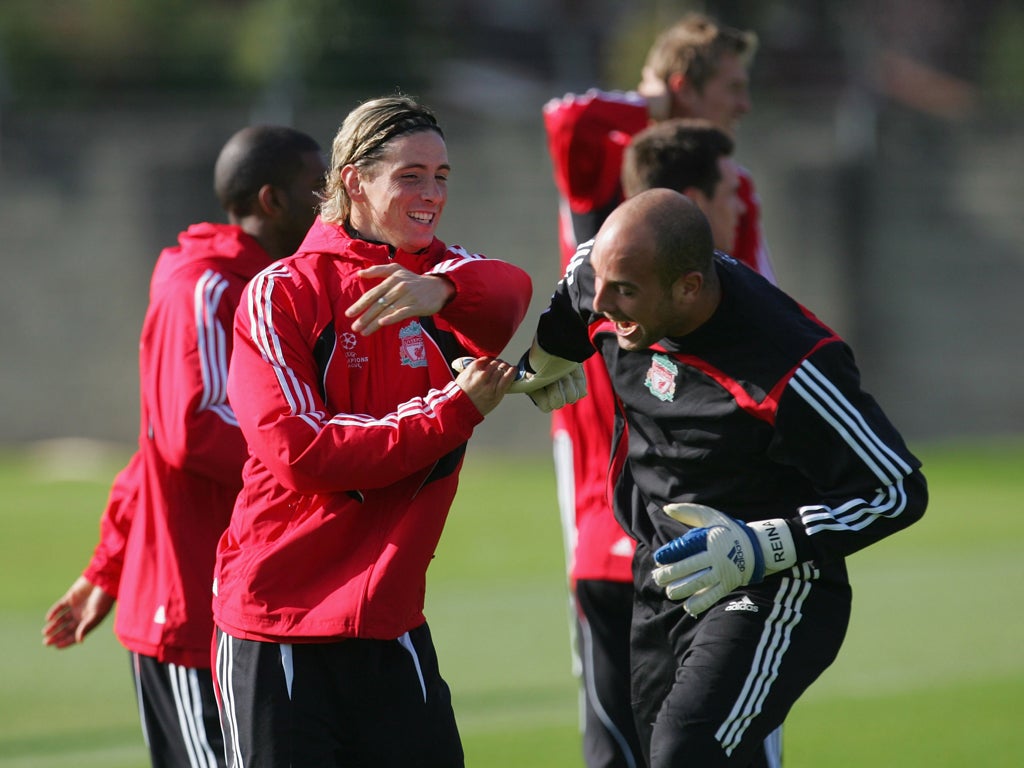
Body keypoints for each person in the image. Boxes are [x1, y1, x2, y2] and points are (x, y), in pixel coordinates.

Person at [513, 187, 927, 767]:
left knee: (687, 751)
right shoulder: (600, 275)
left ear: (688, 286)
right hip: (662, 576)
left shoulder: (792, 364)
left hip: (775, 587)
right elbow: (569, 313)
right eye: (601, 284)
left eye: (624, 292)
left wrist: (760, 546)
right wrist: (533, 370)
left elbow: (897, 490)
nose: (602, 304)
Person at [210, 95, 532, 767]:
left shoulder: (446, 278)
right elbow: (303, 452)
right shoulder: (281, 292)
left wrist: (439, 292)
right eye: (410, 175)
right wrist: (455, 409)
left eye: (442, 176)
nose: (432, 194)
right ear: (355, 181)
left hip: (389, 622)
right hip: (280, 624)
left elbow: (512, 289)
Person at [42, 125, 327, 767]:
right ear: (272, 201)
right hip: (195, 614)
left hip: (259, 602)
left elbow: (152, 449)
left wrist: (105, 567)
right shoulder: (208, 287)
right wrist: (325, 461)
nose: (329, 202)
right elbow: (189, 430)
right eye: (316, 188)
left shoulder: (276, 283)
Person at [543, 14, 773, 763]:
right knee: (617, 728)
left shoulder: (730, 192)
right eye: (731, 88)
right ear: (684, 89)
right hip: (605, 479)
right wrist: (654, 106)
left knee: (723, 725)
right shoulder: (609, 182)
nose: (743, 104)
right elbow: (568, 118)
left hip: (705, 473)